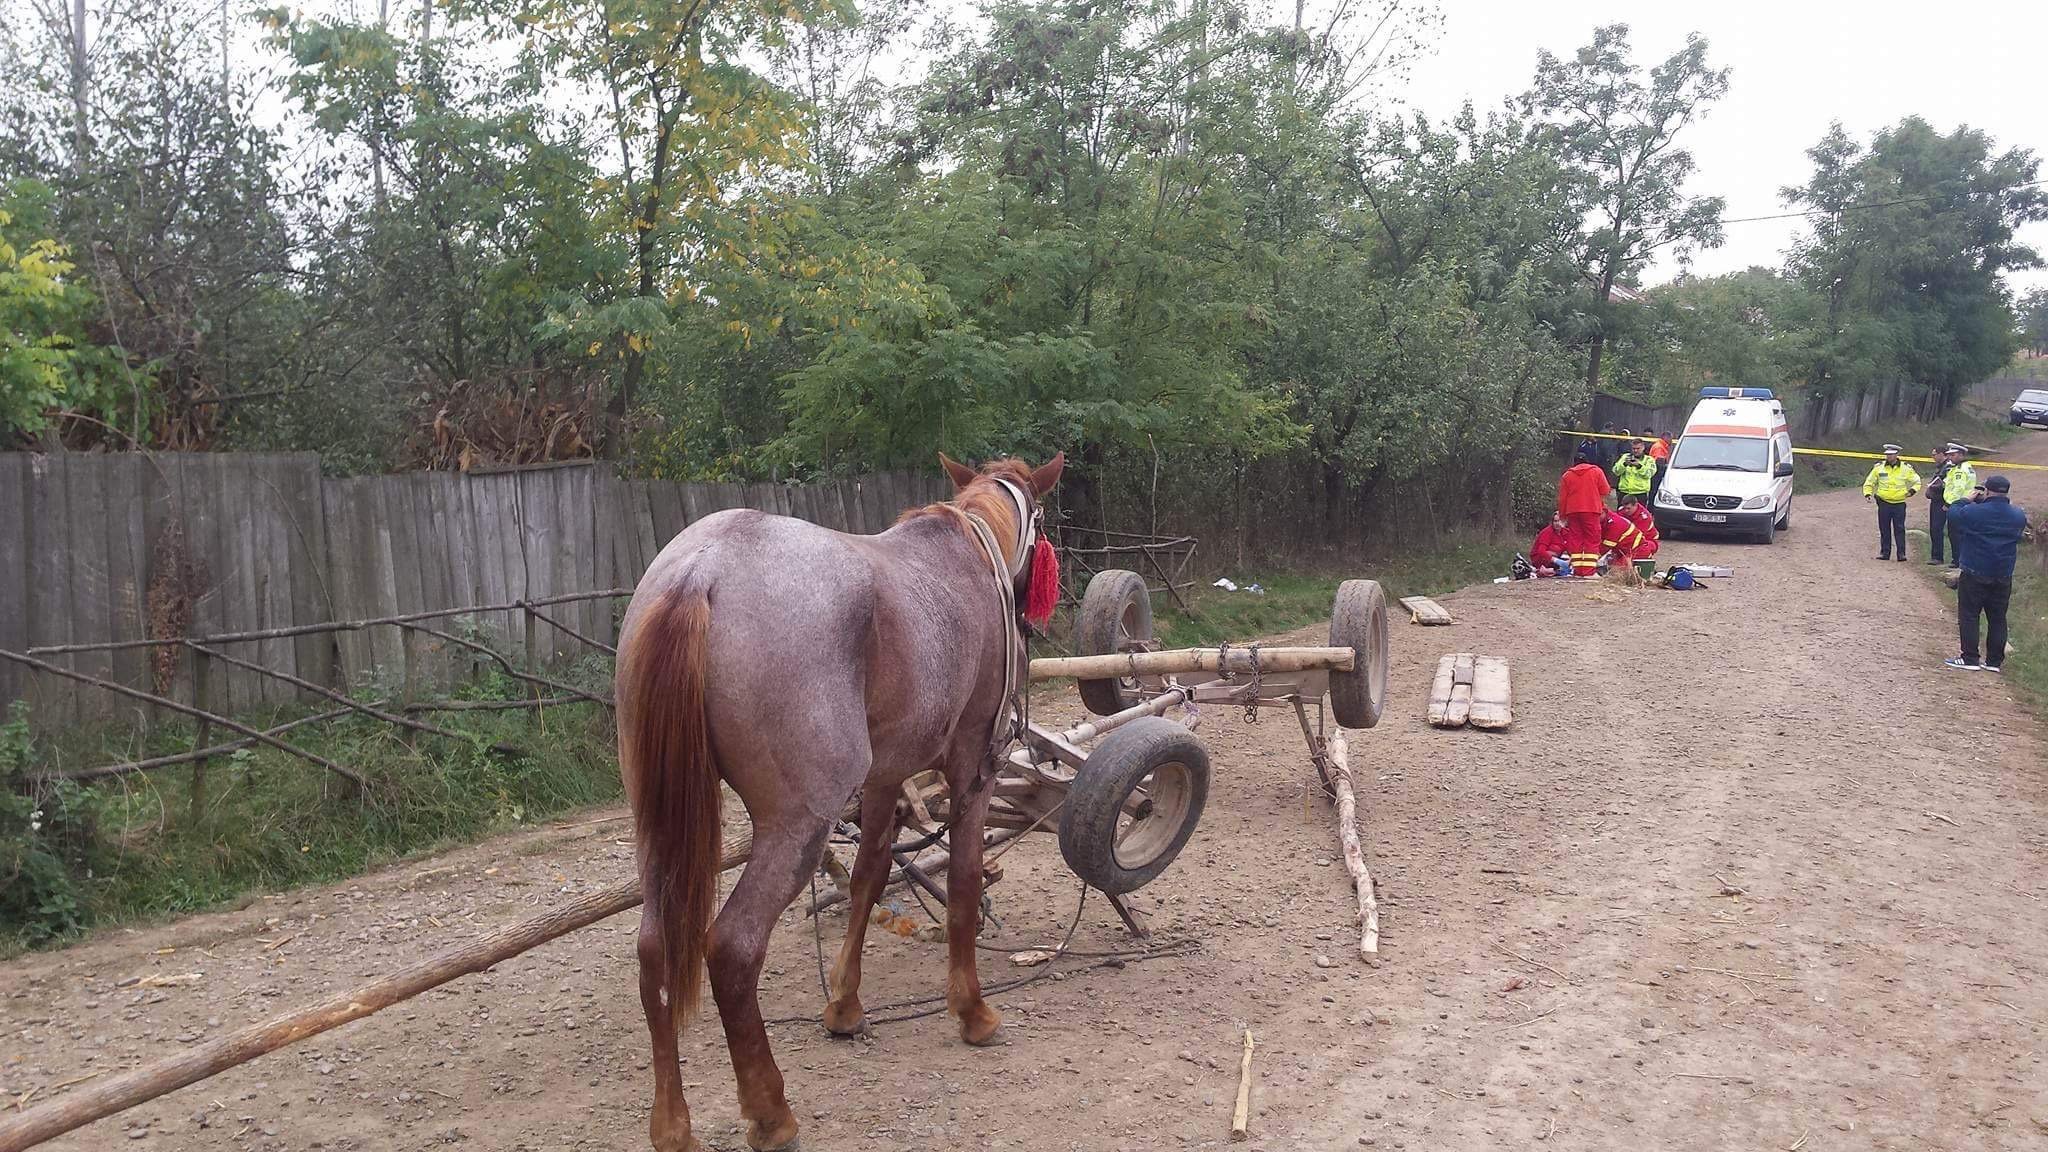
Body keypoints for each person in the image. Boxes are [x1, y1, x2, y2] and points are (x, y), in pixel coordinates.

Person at [1943, 474, 2028, 672]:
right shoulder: (2018, 515)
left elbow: (1954, 514)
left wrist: (1967, 499)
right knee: (1998, 617)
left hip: (1975, 570)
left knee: (1969, 615)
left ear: (1987, 490)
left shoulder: (1974, 511)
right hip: (2003, 573)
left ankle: (1970, 658)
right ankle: (1994, 662)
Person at [1860, 444, 1920, 561]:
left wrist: (1911, 491)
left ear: (1897, 455)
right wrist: (1867, 493)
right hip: (1884, 502)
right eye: (1887, 454)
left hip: (1899, 503)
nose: (1889, 457)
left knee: (1899, 528)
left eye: (1891, 454)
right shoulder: (1879, 468)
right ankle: (1885, 553)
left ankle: (1901, 554)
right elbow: (1869, 482)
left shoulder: (1906, 468)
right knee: (1884, 528)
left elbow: (1917, 481)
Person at [1557, 450, 1612, 575]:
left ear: (1574, 463)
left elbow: (1562, 498)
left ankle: (1578, 570)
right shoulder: (1596, 471)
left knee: (1575, 539)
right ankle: (1588, 571)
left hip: (1572, 511)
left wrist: (1562, 516)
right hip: (1591, 510)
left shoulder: (1567, 475)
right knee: (1592, 539)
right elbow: (1605, 490)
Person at [1930, 443, 1976, 565]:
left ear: (1961, 455)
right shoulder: (1961, 467)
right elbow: (1949, 483)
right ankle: (1958, 559)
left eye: (1953, 455)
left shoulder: (1960, 470)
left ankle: (1958, 560)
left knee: (1956, 534)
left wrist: (1948, 504)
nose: (1950, 457)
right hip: (1962, 504)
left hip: (1958, 504)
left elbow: (1958, 489)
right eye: (1949, 455)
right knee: (1955, 533)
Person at [1598, 504, 1649, 569]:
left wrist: (1592, 559)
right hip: (1624, 552)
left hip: (1637, 550)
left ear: (1603, 512)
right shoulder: (1606, 521)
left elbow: (1605, 547)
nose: (1595, 518)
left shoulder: (1614, 523)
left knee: (1616, 570)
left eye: (1597, 515)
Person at [1612, 439, 1657, 505]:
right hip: (1624, 492)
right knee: (1622, 514)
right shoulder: (1625, 457)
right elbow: (1616, 471)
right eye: (1633, 448)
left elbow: (1649, 474)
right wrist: (1624, 464)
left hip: (1640, 494)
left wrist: (1639, 466)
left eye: (1638, 448)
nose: (1635, 451)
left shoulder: (1649, 460)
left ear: (1643, 448)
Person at [1646, 429, 1672, 498]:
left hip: (1656, 473)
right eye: (1670, 439)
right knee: (1654, 493)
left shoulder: (1661, 446)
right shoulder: (1659, 447)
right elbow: (1659, 463)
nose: (1671, 441)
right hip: (1656, 474)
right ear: (1666, 437)